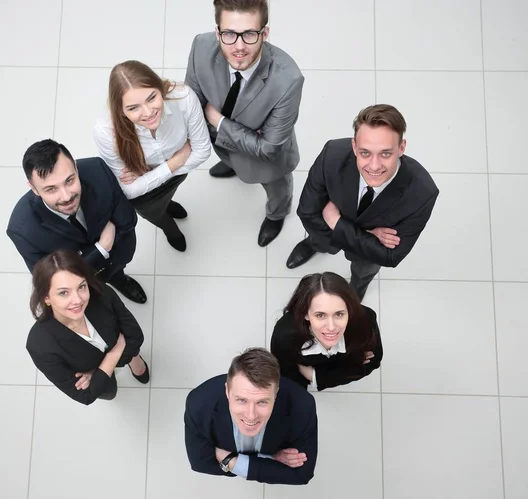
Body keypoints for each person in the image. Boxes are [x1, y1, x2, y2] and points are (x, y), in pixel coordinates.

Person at [287, 104, 439, 300]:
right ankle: (315, 245)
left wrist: (337, 223)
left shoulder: (422, 193)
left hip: (363, 256)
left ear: (401, 148)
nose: (374, 166)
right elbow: (307, 212)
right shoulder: (332, 154)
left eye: (385, 153)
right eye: (365, 153)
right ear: (354, 147)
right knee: (318, 237)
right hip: (335, 236)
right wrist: (367, 236)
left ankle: (356, 289)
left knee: (363, 272)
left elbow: (390, 257)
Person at [185, 0, 304, 247]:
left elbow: (269, 149)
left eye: (249, 34)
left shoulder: (289, 79)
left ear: (265, 33)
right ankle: (233, 166)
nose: (239, 47)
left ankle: (277, 215)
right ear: (217, 31)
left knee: (277, 191)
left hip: (267, 163)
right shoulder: (201, 46)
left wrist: (218, 121)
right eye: (229, 34)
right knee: (233, 158)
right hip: (223, 143)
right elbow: (191, 103)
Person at [7, 139, 147, 304]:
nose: (66, 197)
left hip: (119, 254)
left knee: (116, 272)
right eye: (51, 189)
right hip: (83, 282)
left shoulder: (97, 169)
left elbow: (127, 221)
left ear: (75, 167)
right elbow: (53, 280)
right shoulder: (22, 230)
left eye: (69, 181)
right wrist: (101, 249)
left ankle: (119, 278)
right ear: (33, 188)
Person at [94, 60, 211, 252]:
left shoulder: (183, 98)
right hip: (151, 189)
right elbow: (128, 191)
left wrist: (149, 173)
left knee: (167, 197)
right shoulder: (106, 132)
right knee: (155, 214)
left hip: (171, 173)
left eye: (151, 98)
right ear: (120, 111)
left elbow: (203, 151)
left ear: (160, 89)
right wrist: (174, 163)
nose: (148, 113)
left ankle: (168, 204)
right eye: (133, 108)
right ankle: (170, 229)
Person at [26, 251, 149, 405]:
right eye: (64, 293)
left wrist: (97, 374)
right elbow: (86, 396)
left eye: (81, 286)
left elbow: (136, 336)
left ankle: (134, 361)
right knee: (110, 393)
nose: (78, 300)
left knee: (133, 351)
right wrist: (114, 354)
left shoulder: (100, 293)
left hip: (115, 361)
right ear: (46, 297)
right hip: (111, 366)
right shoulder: (39, 346)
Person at [184, 347, 317, 485]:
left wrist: (227, 458)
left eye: (262, 402)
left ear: (276, 394)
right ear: (227, 391)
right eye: (242, 400)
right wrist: (269, 458)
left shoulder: (302, 405)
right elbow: (200, 463)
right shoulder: (199, 403)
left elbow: (301, 474)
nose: (251, 415)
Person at [270, 272, 382, 391]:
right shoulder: (284, 335)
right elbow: (287, 374)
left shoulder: (366, 321)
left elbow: (373, 362)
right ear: (306, 314)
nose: (331, 327)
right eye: (320, 315)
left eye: (339, 314)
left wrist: (316, 376)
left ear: (350, 310)